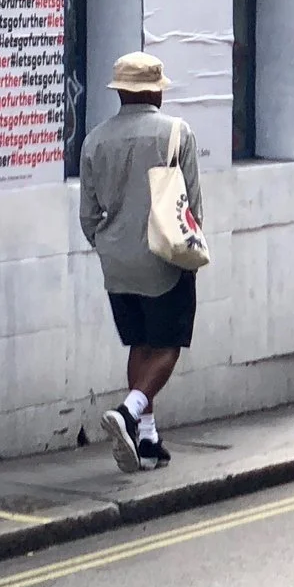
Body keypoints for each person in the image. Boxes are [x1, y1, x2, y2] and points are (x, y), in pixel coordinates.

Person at [80, 51, 203, 472]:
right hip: (163, 256)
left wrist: (108, 244)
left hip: (115, 263)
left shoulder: (94, 139)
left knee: (139, 342)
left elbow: (87, 216)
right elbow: (193, 209)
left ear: (121, 93)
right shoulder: (176, 133)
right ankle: (129, 413)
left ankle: (146, 438)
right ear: (153, 91)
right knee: (168, 344)